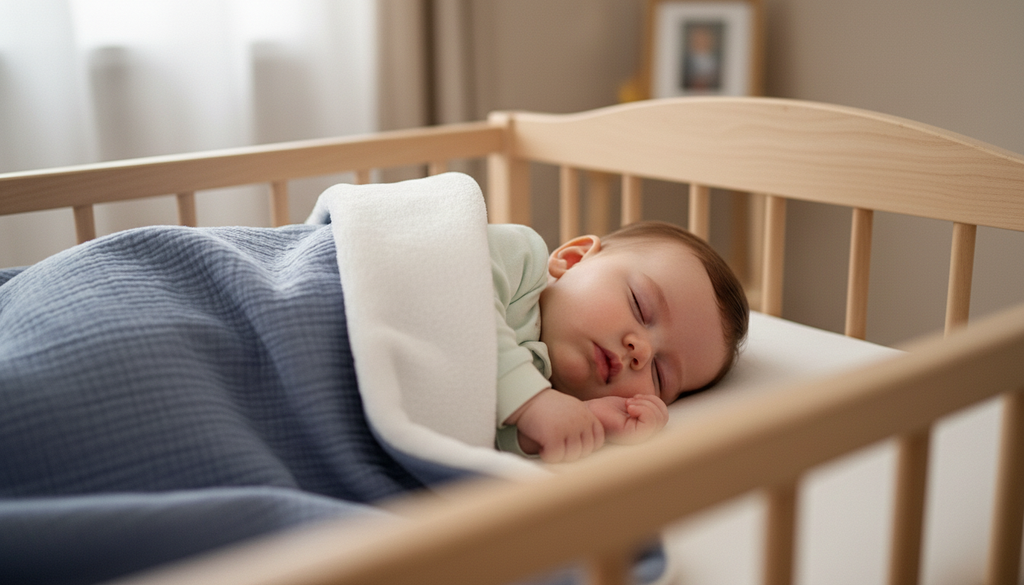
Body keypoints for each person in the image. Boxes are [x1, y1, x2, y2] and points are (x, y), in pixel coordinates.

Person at [491, 220, 749, 463]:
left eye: (659, 375)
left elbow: (489, 436)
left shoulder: (542, 391)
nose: (642, 352)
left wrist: (585, 418)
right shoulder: (519, 258)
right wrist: (531, 401)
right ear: (573, 259)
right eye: (640, 306)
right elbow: (469, 302)